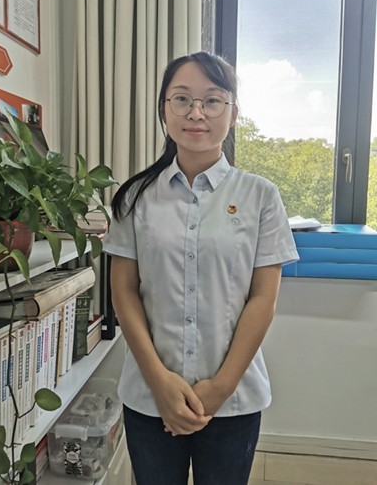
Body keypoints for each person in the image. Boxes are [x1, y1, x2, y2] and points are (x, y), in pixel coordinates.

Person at [102, 51, 299, 485]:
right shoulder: (134, 197)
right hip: (150, 396)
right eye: (182, 99)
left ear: (233, 113)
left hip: (233, 400)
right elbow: (124, 292)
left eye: (212, 100)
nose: (196, 113)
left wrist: (220, 387)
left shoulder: (261, 196)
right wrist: (160, 382)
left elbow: (262, 300)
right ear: (164, 110)